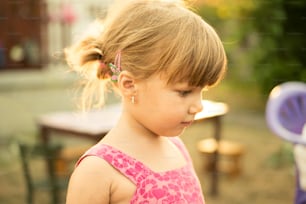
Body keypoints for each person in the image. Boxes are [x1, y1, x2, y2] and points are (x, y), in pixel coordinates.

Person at [64, 0, 227, 203]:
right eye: (184, 92)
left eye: (201, 90)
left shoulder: (177, 148)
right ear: (130, 85)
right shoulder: (97, 172)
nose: (198, 106)